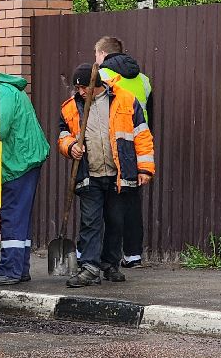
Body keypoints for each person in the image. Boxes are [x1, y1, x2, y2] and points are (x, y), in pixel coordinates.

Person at [58, 62, 155, 287]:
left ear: (96, 84)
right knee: (91, 222)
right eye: (77, 88)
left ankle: (110, 264)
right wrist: (70, 146)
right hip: (89, 174)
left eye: (83, 87)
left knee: (115, 222)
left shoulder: (126, 100)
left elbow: (142, 135)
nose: (80, 92)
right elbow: (63, 135)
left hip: (118, 174)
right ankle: (90, 268)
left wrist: (145, 169)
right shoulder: (70, 107)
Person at [0, 72, 50, 286]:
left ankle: (9, 270)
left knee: (12, 215)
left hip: (18, 162)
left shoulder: (1, 92)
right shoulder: (8, 90)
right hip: (24, 159)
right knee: (20, 217)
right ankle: (20, 269)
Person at [94, 36, 153, 267]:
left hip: (112, 147)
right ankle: (133, 255)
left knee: (107, 204)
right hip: (138, 145)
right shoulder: (143, 80)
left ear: (102, 54)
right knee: (132, 202)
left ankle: (106, 256)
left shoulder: (102, 78)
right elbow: (148, 117)